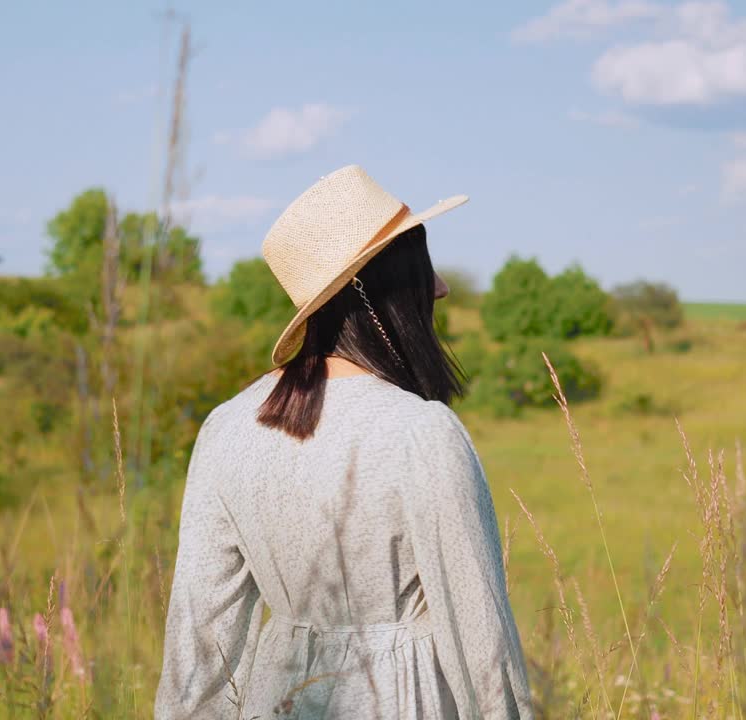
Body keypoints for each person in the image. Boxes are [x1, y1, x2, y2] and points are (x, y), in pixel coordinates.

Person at [154, 165, 534, 719]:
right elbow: (482, 642)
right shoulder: (423, 434)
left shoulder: (227, 428)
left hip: (277, 700)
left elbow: (199, 645)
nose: (441, 288)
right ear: (375, 286)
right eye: (420, 267)